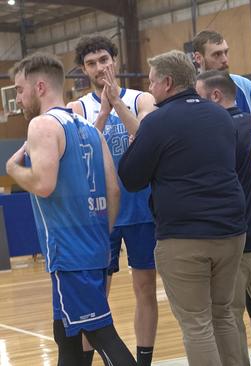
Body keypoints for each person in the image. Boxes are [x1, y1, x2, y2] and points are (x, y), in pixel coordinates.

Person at [118, 50, 247, 366]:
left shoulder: (157, 122)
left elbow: (131, 177)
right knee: (224, 314)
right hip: (232, 231)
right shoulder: (219, 115)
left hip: (185, 235)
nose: (149, 90)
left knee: (196, 323)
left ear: (167, 82)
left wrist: (138, 140)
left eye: (151, 82)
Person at [6, 52, 136, 365]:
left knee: (103, 335)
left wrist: (12, 168)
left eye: (20, 90)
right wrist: (100, 236)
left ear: (39, 87)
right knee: (65, 334)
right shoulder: (89, 127)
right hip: (93, 245)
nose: (18, 99)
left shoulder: (42, 125)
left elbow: (43, 184)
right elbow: (114, 190)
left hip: (68, 251)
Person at [67, 35, 158, 366]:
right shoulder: (78, 108)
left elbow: (148, 142)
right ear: (83, 70)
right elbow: (80, 153)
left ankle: (143, 360)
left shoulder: (141, 99)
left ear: (115, 61)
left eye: (104, 60)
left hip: (141, 207)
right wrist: (103, 114)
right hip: (100, 212)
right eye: (91, 63)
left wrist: (117, 104)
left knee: (145, 288)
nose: (99, 68)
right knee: (95, 292)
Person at [195, 70, 251, 366]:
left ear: (215, 96)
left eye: (199, 97)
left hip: (235, 241)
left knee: (228, 318)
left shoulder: (216, 133)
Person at [192, 30, 251, 113]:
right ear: (198, 58)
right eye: (217, 54)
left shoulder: (245, 86)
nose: (224, 60)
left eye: (226, 52)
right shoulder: (191, 93)